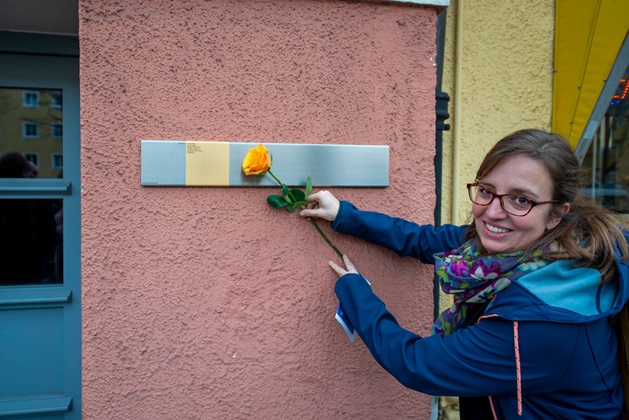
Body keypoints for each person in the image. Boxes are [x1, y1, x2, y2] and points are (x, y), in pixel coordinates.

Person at [300, 129, 629, 419]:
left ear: (557, 214)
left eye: (520, 199)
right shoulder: (526, 249)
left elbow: (415, 363)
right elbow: (425, 240)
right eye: (486, 191)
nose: (493, 212)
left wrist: (356, 292)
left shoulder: (534, 327)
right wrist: (344, 214)